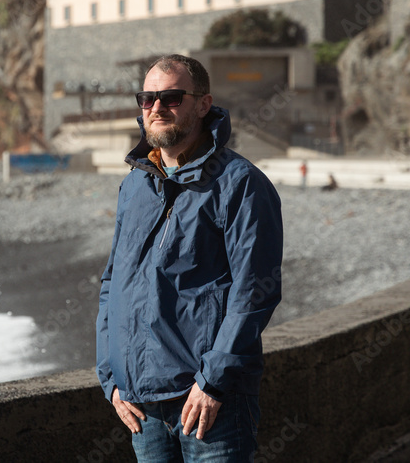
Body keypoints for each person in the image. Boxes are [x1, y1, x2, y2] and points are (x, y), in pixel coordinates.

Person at [96, 54, 283, 462]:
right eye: (147, 98)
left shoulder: (240, 184)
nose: (157, 108)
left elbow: (255, 293)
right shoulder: (134, 186)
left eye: (171, 97)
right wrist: (110, 377)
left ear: (203, 104)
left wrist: (212, 383)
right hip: (141, 406)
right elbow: (113, 282)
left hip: (210, 404)